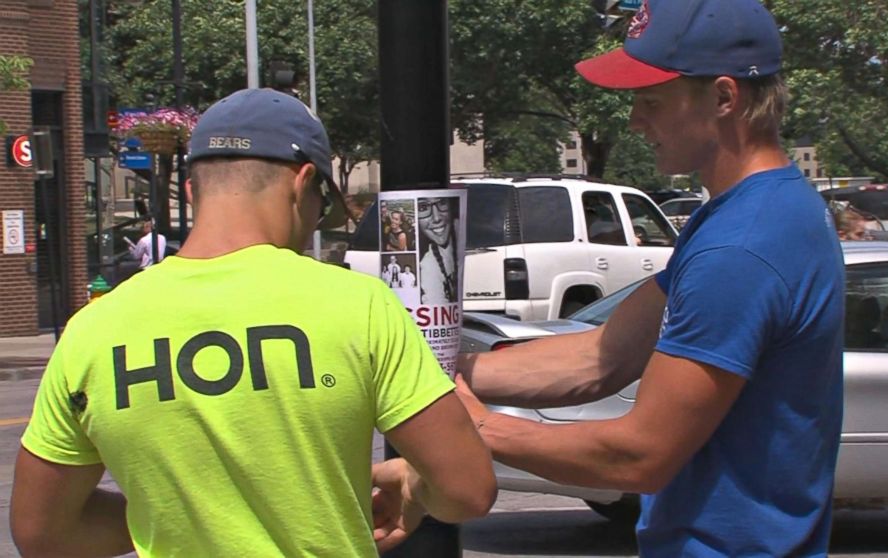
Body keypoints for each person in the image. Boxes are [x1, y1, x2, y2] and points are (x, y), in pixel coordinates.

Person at [11, 88, 495, 558]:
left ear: (191, 190)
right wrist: (411, 485)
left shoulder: (94, 330)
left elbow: (43, 535)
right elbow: (467, 490)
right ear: (303, 183)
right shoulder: (358, 305)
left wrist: (177, 515)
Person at [455, 1, 845, 556]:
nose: (637, 121)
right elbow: (601, 357)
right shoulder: (749, 214)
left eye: (652, 101)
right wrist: (448, 371)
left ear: (723, 98)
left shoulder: (742, 247)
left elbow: (639, 454)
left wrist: (479, 427)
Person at [418, 196, 458, 304]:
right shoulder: (429, 265)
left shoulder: (462, 231)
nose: (436, 218)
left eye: (442, 203)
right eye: (423, 208)